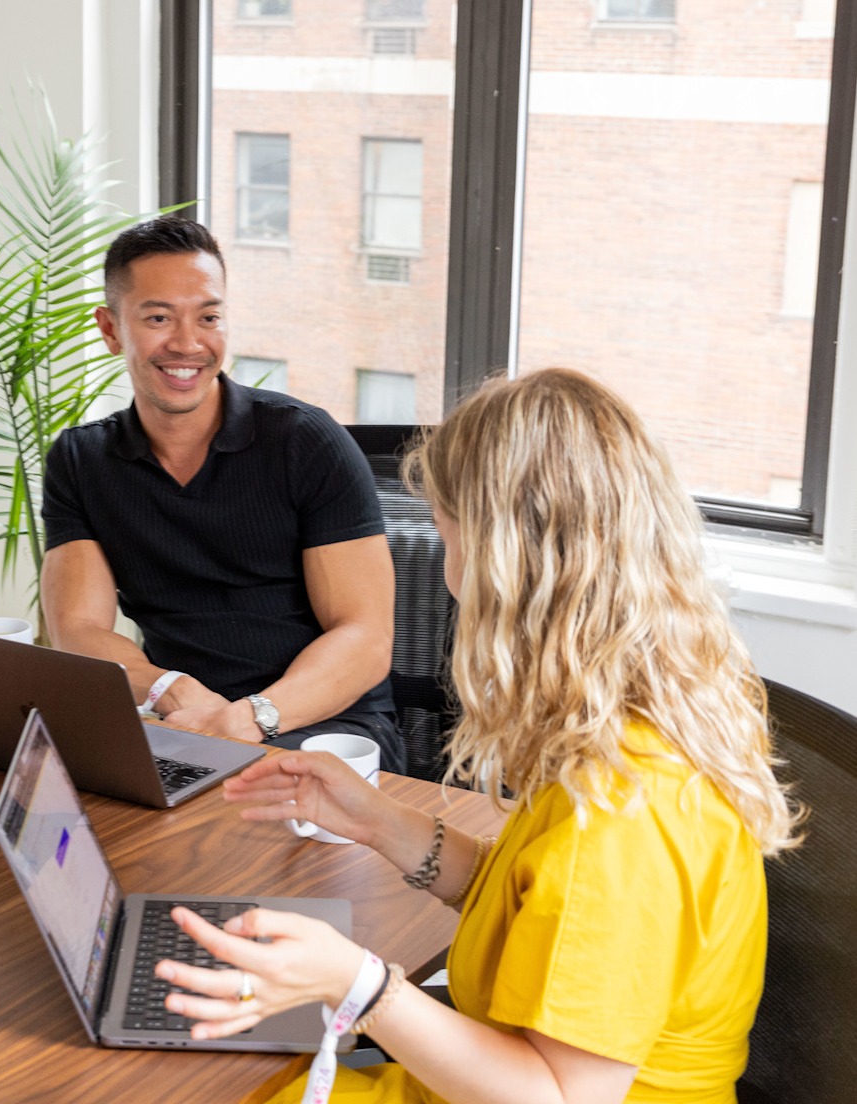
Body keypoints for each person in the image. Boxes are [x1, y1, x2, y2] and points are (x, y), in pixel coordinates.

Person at [159, 368, 798, 1103]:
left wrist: (361, 986)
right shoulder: (635, 723)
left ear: (503, 560)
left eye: (444, 530)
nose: (446, 568)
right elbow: (544, 910)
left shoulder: (625, 811)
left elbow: (559, 1097)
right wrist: (378, 822)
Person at [40, 215, 400, 768]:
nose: (188, 343)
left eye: (208, 317)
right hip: (184, 722)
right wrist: (175, 693)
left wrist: (249, 715)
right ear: (111, 330)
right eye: (159, 318)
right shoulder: (82, 460)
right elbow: (79, 630)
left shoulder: (306, 442)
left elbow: (365, 636)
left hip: (323, 725)